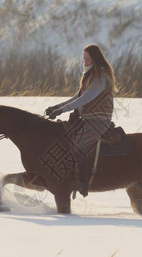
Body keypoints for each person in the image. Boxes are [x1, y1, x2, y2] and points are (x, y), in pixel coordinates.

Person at [44, 44, 118, 197]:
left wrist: (62, 110)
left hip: (99, 120)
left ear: (95, 59)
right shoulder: (90, 76)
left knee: (78, 144)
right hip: (87, 119)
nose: (85, 61)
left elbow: (86, 98)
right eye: (84, 58)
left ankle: (82, 182)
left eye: (88, 59)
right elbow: (78, 97)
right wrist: (56, 107)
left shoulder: (101, 77)